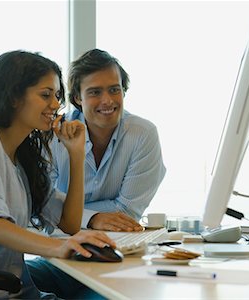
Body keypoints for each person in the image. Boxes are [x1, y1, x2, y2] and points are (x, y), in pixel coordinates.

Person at [0, 50, 116, 299]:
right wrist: (59, 247)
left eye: (56, 96)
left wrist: (76, 154)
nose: (56, 105)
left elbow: (69, 223)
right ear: (13, 96)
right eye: (45, 95)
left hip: (20, 292)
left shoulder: (22, 159)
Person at [26, 49, 166, 298]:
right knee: (13, 279)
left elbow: (126, 214)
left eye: (114, 89)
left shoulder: (143, 134)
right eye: (95, 92)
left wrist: (77, 215)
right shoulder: (51, 135)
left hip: (112, 256)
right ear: (78, 98)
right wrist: (93, 218)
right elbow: (43, 210)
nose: (107, 100)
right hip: (61, 256)